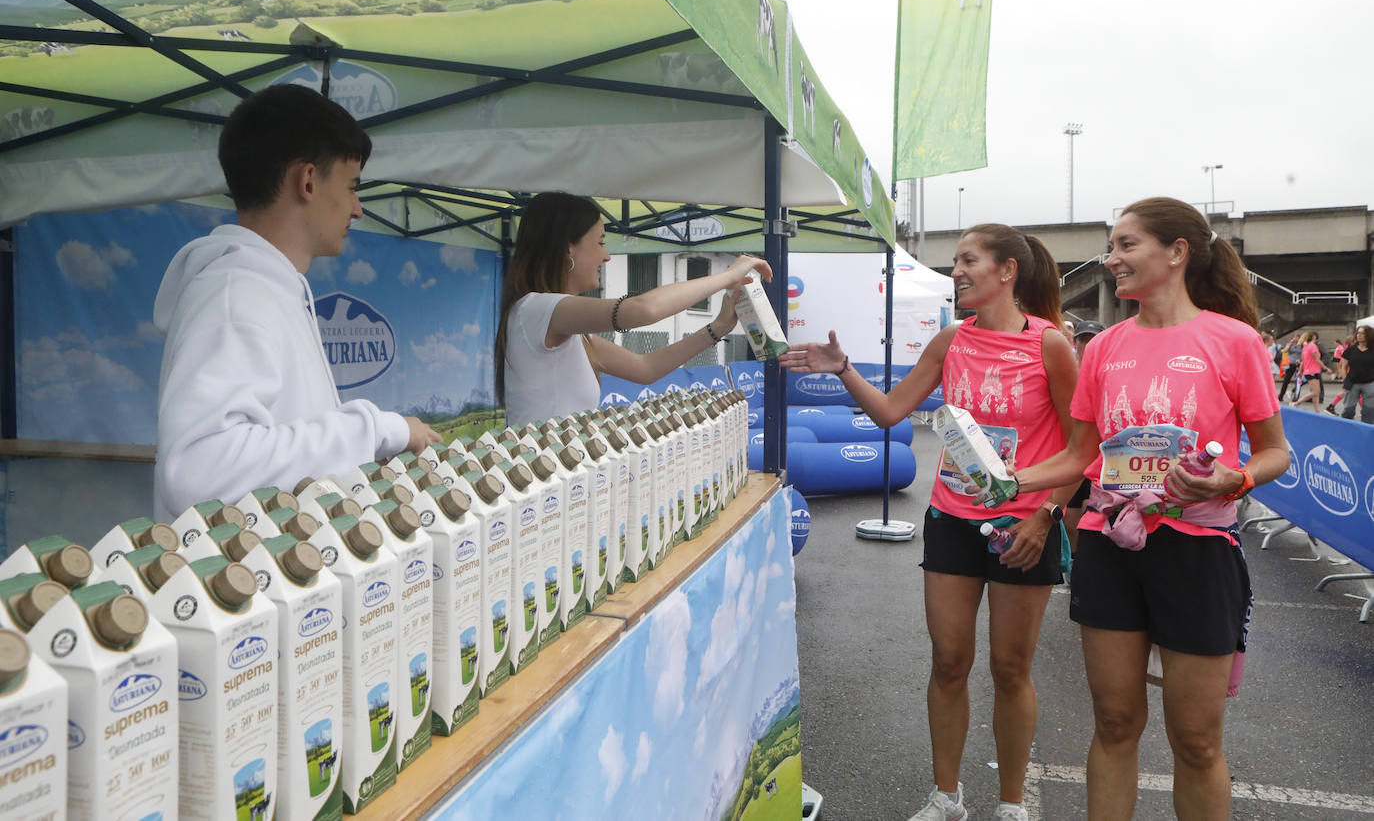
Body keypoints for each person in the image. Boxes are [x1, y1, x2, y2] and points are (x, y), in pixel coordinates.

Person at [782, 224, 1078, 821]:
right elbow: (892, 410)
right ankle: (947, 798)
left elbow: (1081, 448)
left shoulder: (1051, 346)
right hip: (951, 518)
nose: (958, 271)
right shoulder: (950, 341)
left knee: (1011, 669)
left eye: (969, 260)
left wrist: (1046, 518)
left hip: (1024, 529)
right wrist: (843, 370)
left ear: (1007, 271)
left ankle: (1014, 804)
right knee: (948, 662)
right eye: (956, 261)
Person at [1005, 197, 1288, 821]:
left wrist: (1231, 479)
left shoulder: (1234, 341)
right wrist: (1009, 481)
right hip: (1110, 544)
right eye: (1112, 247)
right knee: (1113, 721)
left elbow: (1275, 453)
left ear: (1177, 253)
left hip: (1198, 550)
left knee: (1195, 740)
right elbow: (1080, 455)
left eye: (1126, 245)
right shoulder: (1104, 346)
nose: (1112, 260)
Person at [153, 84, 441, 521]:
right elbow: (198, 470)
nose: (357, 208)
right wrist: (378, 430)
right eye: (350, 187)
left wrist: (358, 457)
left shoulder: (270, 291)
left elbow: (284, 435)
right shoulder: (236, 296)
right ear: (307, 181)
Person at [495, 192, 771, 426]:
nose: (607, 255)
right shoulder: (535, 309)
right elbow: (644, 309)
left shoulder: (568, 328)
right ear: (569, 248)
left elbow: (645, 368)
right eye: (601, 242)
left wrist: (718, 328)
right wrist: (727, 276)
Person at [1064, 320, 1107, 549]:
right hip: (1072, 455)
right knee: (1069, 522)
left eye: (1092, 339)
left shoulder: (1110, 373)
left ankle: (1080, 567)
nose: (1087, 344)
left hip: (1100, 458)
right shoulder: (1066, 372)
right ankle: (1073, 565)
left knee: (1088, 518)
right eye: (1083, 339)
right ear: (1075, 343)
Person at [1339, 325, 1374, 423]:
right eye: (1358, 333)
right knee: (1348, 411)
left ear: (1369, 335)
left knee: (1369, 412)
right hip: (1352, 383)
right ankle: (1346, 430)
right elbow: (1343, 367)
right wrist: (1345, 380)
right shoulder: (1350, 350)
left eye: (1362, 333)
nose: (1359, 335)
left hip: (1370, 384)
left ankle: (1367, 433)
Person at [1292, 331, 1334, 412]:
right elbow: (1316, 359)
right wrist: (1325, 368)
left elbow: (1303, 361)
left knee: (1316, 392)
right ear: (1314, 337)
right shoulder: (1313, 346)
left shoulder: (1305, 347)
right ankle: (1297, 403)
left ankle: (1317, 410)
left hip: (1310, 371)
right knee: (1315, 392)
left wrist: (1300, 372)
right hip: (1313, 371)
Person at [1276, 334, 1302, 401]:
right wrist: (1290, 343)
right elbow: (1285, 350)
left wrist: (1300, 360)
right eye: (1295, 337)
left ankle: (1295, 397)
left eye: (1298, 338)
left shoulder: (1302, 345)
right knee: (1286, 381)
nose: (1296, 339)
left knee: (1298, 381)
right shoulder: (1290, 344)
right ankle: (1281, 395)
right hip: (1290, 363)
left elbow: (1303, 354)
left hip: (1298, 364)